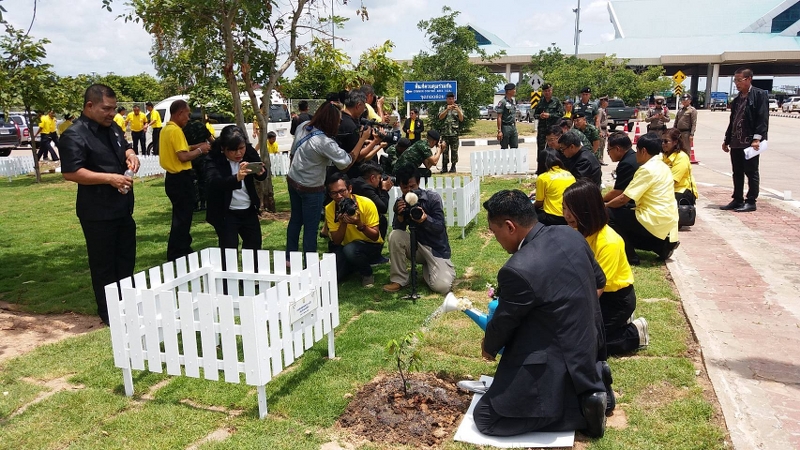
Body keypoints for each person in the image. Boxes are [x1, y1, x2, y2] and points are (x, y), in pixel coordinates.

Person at [474, 189, 607, 438]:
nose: (495, 239)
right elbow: (600, 282)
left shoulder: (518, 269)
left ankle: (582, 409)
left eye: (494, 232)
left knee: (487, 418)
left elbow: (504, 322)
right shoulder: (570, 235)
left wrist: (489, 347)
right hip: (590, 343)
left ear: (510, 227)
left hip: (559, 356)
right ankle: (597, 377)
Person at [59, 84, 140, 325]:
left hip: (122, 206)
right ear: (89, 106)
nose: (111, 113)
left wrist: (131, 154)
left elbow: (124, 145)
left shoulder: (113, 127)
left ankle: (127, 306)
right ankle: (110, 315)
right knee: (104, 265)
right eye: (106, 108)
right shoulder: (74, 134)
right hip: (97, 212)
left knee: (126, 260)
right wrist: (109, 179)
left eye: (114, 108)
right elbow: (71, 172)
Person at [563, 179, 649, 356]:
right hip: (589, 291)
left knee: (581, 345)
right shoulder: (577, 231)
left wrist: (569, 311)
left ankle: (635, 333)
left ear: (588, 210)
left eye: (572, 210)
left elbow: (596, 289)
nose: (567, 215)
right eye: (564, 208)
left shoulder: (608, 242)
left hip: (614, 299)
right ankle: (615, 325)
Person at [286, 101, 367, 257]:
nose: (339, 124)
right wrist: (362, 139)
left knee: (295, 220)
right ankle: (309, 261)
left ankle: (289, 258)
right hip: (311, 188)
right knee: (311, 227)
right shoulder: (325, 142)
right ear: (331, 121)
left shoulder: (303, 126)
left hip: (293, 180)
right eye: (338, 121)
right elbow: (346, 162)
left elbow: (293, 152)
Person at [606, 132, 680, 265]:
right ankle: (661, 246)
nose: (636, 155)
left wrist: (603, 206)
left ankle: (630, 256)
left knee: (607, 214)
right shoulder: (662, 165)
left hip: (653, 218)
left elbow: (623, 199)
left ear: (644, 151)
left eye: (637, 150)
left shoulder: (647, 169)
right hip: (667, 218)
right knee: (624, 219)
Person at [383, 167, 455, 295]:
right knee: (395, 235)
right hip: (416, 246)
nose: (409, 191)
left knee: (442, 287)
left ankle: (434, 268)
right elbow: (397, 230)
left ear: (418, 182)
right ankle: (399, 280)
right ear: (400, 187)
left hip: (435, 249)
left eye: (412, 186)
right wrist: (399, 215)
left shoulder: (432, 198)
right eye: (405, 188)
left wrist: (425, 219)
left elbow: (439, 227)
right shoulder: (401, 202)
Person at [159, 99, 212, 262]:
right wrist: (200, 150)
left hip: (172, 178)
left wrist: (195, 146)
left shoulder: (166, 129)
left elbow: (180, 149)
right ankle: (178, 252)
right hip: (180, 178)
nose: (188, 118)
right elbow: (183, 156)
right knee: (183, 217)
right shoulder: (176, 131)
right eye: (187, 115)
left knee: (181, 215)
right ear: (180, 113)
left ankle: (183, 247)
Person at [204, 125, 267, 250]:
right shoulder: (213, 159)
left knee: (254, 247)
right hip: (225, 212)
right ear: (223, 148)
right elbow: (213, 183)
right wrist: (236, 178)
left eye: (241, 148)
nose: (238, 153)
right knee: (229, 250)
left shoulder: (248, 152)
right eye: (232, 150)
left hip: (248, 209)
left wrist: (260, 173)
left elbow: (262, 172)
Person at [721, 67, 768, 213]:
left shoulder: (759, 95)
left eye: (739, 80)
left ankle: (751, 201)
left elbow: (762, 118)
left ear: (748, 79)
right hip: (736, 142)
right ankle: (737, 199)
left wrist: (757, 138)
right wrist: (727, 139)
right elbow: (733, 121)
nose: (736, 83)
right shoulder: (737, 100)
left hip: (749, 143)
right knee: (737, 172)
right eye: (735, 80)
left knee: (751, 171)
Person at [325, 172, 384, 287]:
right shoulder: (330, 208)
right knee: (335, 275)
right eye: (334, 193)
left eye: (342, 191)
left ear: (350, 189)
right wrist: (343, 222)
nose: (339, 196)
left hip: (370, 245)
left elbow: (375, 236)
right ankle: (353, 265)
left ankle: (367, 274)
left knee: (350, 250)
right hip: (344, 246)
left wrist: (359, 224)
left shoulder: (366, 203)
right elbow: (336, 241)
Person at [336, 90, 384, 179]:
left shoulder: (340, 118)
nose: (364, 110)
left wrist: (365, 141)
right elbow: (358, 156)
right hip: (350, 174)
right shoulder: (350, 125)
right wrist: (375, 141)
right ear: (358, 105)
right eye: (364, 107)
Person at [531, 148, 575, 226]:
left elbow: (539, 203)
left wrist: (530, 206)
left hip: (552, 217)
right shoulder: (569, 174)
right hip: (569, 214)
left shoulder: (543, 177)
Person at [351, 162, 392, 241]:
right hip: (359, 223)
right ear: (372, 178)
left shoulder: (355, 182)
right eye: (379, 178)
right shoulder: (365, 189)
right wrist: (384, 190)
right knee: (382, 220)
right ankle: (375, 246)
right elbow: (383, 208)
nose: (380, 181)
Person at [662, 128, 698, 206]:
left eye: (666, 141)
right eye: (662, 141)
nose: (663, 144)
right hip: (669, 190)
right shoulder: (664, 156)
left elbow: (672, 181)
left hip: (681, 192)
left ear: (675, 142)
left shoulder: (681, 157)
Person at [533, 83, 564, 171]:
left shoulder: (556, 101)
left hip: (553, 129)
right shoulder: (540, 102)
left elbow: (561, 114)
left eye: (549, 91)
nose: (547, 92)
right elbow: (535, 115)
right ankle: (540, 168)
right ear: (543, 92)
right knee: (541, 149)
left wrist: (550, 115)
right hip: (542, 129)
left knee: (554, 148)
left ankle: (554, 166)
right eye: (545, 91)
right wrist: (540, 116)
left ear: (551, 91)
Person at [602, 132, 639, 202]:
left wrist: (600, 201)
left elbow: (617, 192)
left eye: (608, 150)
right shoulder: (635, 156)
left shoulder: (626, 164)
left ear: (617, 149)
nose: (608, 154)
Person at [437, 92, 463, 173]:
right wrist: (447, 110)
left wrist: (458, 110)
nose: (451, 100)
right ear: (446, 99)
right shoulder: (443, 107)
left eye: (452, 99)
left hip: (454, 133)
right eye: (449, 99)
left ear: (454, 99)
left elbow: (461, 119)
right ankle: (444, 167)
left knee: (454, 151)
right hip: (445, 133)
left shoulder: (458, 107)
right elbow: (440, 117)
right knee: (444, 151)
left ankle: (453, 166)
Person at [496, 83, 518, 149]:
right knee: (504, 148)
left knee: (515, 147)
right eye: (514, 89)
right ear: (509, 91)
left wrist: (515, 127)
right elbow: (499, 117)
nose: (515, 91)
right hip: (505, 127)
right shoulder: (502, 102)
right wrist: (499, 131)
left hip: (512, 127)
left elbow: (513, 115)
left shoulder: (513, 101)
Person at [595, 97, 609, 165]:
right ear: (603, 102)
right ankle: (599, 160)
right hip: (601, 130)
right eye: (606, 101)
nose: (607, 103)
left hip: (604, 129)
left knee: (602, 146)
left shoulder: (604, 110)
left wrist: (607, 131)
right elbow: (598, 122)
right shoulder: (600, 110)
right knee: (600, 146)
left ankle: (601, 159)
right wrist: (600, 131)